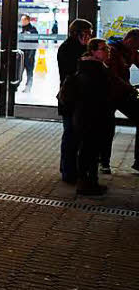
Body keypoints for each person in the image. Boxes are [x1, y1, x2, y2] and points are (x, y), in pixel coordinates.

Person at [59, 38, 139, 196]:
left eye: (107, 49)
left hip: (90, 116)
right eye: (103, 49)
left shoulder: (97, 67)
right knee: (89, 150)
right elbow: (103, 91)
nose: (107, 51)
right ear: (93, 52)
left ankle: (91, 182)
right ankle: (86, 183)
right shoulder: (92, 69)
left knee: (91, 150)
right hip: (90, 117)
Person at [57, 19, 92, 186]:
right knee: (71, 134)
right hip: (70, 98)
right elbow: (73, 72)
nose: (90, 36)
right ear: (79, 33)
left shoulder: (78, 47)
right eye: (87, 32)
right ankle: (68, 171)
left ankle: (69, 169)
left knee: (74, 135)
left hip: (76, 98)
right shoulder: (68, 49)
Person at [102, 29, 139, 174]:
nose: (136, 49)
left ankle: (138, 162)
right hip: (109, 95)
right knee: (107, 128)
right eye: (136, 46)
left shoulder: (130, 51)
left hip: (122, 93)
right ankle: (103, 162)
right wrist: (130, 88)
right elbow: (113, 76)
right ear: (129, 40)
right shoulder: (112, 50)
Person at [19, 14, 38, 92]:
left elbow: (35, 42)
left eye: (23, 20)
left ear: (28, 20)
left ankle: (28, 87)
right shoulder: (22, 30)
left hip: (29, 55)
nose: (22, 22)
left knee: (29, 72)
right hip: (21, 55)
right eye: (21, 20)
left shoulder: (33, 30)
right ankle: (16, 85)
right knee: (19, 71)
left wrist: (31, 54)